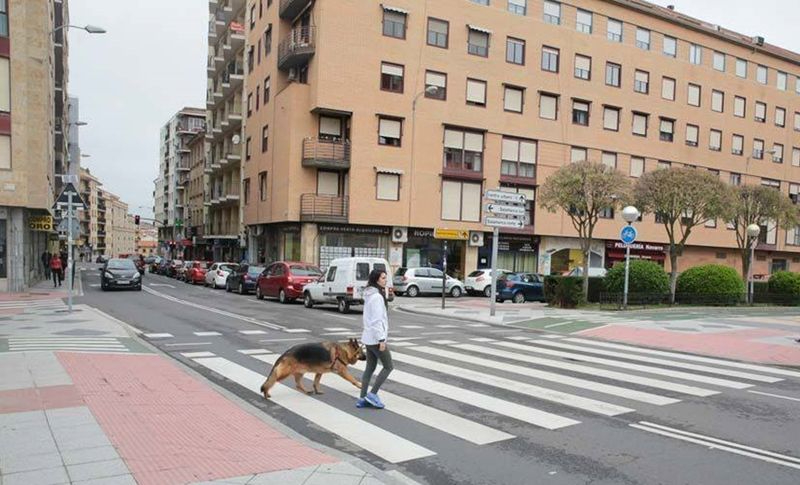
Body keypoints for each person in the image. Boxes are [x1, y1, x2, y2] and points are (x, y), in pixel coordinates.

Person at [357, 268, 393, 409]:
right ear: (377, 279)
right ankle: (372, 394)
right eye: (383, 278)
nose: (385, 280)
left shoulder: (369, 294)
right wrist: (381, 339)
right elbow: (377, 320)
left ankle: (362, 398)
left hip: (368, 338)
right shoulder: (377, 297)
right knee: (388, 366)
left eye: (385, 277)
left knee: (369, 369)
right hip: (376, 338)